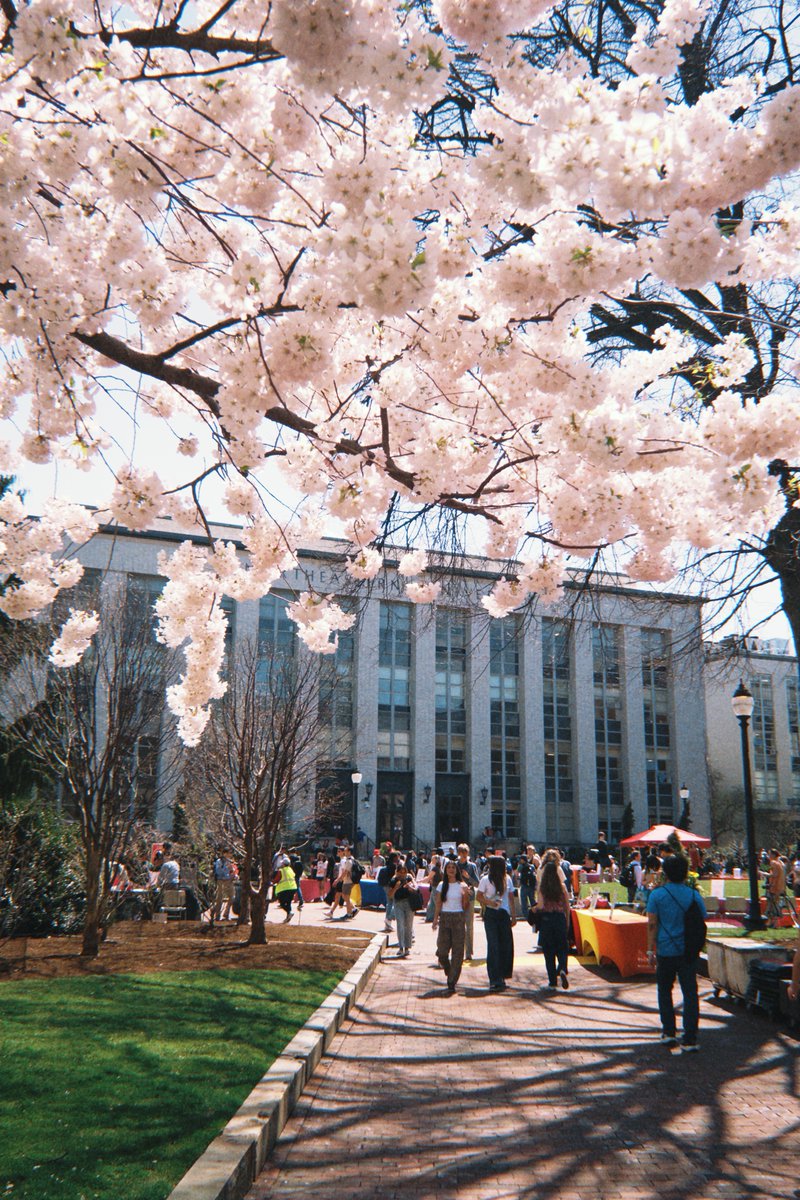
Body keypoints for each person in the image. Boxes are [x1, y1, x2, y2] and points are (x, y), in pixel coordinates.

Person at [646, 853, 705, 1052]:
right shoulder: (694, 895)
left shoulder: (657, 895)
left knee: (664, 990)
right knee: (690, 993)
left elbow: (652, 925)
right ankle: (690, 1037)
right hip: (687, 950)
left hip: (665, 949)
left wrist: (650, 949)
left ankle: (669, 1032)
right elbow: (701, 918)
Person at [477, 854, 517, 992]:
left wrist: (513, 915)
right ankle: (494, 978)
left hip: (503, 913)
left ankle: (503, 975)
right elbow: (479, 896)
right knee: (493, 944)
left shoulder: (508, 879)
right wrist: (490, 902)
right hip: (491, 913)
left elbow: (511, 898)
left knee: (505, 944)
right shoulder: (485, 880)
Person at [432, 858, 470, 993]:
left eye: (453, 868)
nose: (451, 870)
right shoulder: (442, 885)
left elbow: (466, 906)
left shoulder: (462, 885)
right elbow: (438, 903)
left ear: (457, 870)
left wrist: (465, 895)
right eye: (449, 868)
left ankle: (452, 980)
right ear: (445, 870)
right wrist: (435, 919)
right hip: (445, 918)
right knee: (442, 951)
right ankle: (449, 970)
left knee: (457, 951)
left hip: (458, 918)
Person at [534, 859, 571, 990]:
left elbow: (541, 905)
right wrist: (567, 921)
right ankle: (562, 967)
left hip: (547, 921)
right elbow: (567, 905)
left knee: (548, 952)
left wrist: (534, 910)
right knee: (561, 947)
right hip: (560, 918)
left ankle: (552, 981)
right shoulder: (562, 887)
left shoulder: (542, 888)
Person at [388, 861, 418, 957]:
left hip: (409, 903)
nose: (402, 874)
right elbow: (390, 895)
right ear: (397, 872)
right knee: (400, 924)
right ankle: (401, 947)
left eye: (404, 872)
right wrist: (396, 887)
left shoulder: (409, 878)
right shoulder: (393, 880)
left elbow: (416, 887)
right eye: (400, 872)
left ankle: (407, 947)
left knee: (408, 925)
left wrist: (410, 887)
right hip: (398, 903)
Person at [456, 843, 481, 959]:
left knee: (469, 925)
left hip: (469, 898)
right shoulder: (454, 866)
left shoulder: (472, 866)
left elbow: (477, 883)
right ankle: (458, 950)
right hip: (456, 898)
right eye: (461, 854)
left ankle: (469, 951)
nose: (463, 857)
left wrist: (468, 877)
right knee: (457, 926)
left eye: (465, 855)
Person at [765, 848, 792, 927]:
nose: (768, 856)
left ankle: (772, 922)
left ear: (773, 855)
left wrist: (764, 874)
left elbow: (775, 874)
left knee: (771, 904)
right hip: (781, 887)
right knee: (775, 904)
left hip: (774, 886)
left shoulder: (773, 862)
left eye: (769, 854)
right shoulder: (781, 863)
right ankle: (773, 923)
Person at [212, 848, 236, 922]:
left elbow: (232, 872)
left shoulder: (230, 862)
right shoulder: (219, 862)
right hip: (221, 881)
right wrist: (226, 868)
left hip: (229, 881)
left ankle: (226, 913)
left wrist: (233, 873)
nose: (230, 855)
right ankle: (217, 915)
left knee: (232, 897)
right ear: (224, 853)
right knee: (219, 899)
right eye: (229, 853)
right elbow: (218, 872)